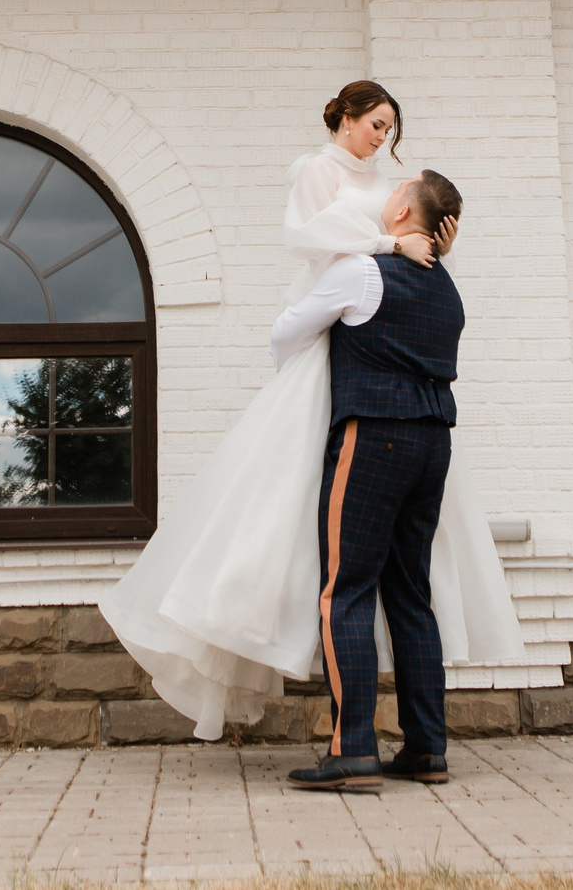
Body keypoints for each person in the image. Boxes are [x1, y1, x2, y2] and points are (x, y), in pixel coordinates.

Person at [99, 82, 522, 744]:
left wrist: (424, 247)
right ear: (345, 118)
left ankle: (353, 745)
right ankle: (422, 743)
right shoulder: (321, 175)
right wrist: (395, 247)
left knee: (354, 580)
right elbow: (309, 235)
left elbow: (336, 295)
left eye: (390, 128)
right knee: (388, 576)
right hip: (385, 373)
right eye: (376, 123)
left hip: (368, 385)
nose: (383, 138)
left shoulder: (392, 205)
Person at [273, 169, 467, 792]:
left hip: (373, 437)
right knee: (411, 595)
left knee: (346, 590)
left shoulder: (361, 272)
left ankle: (353, 749)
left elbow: (286, 331)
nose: (388, 193)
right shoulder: (448, 288)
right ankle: (427, 749)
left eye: (399, 188)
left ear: (404, 213)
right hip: (433, 443)